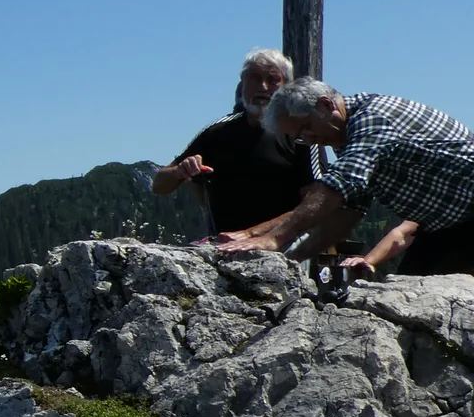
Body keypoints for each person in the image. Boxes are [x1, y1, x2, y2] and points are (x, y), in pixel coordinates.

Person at [218, 80, 474, 277]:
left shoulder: (373, 119)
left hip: (466, 217)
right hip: (446, 227)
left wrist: (274, 238)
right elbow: (348, 210)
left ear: (326, 105)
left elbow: (337, 188)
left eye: (306, 128)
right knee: (415, 299)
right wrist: (290, 260)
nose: (307, 140)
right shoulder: (347, 138)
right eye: (299, 137)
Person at [151, 48, 314, 234]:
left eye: (272, 79)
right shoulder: (218, 132)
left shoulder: (301, 136)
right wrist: (181, 171)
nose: (263, 87)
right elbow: (159, 186)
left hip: (282, 248)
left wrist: (253, 235)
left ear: (286, 88)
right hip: (223, 248)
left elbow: (312, 206)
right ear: (242, 84)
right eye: (254, 78)